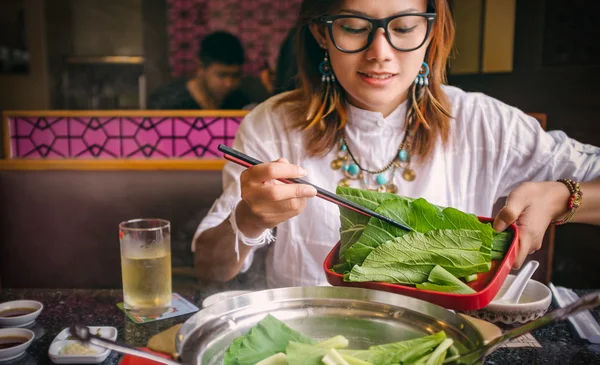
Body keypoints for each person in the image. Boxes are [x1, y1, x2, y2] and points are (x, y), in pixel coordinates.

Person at [192, 0, 600, 288]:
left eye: (403, 28)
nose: (380, 53)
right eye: (353, 27)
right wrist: (249, 219)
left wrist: (564, 197)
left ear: (430, 30)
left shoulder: (486, 123)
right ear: (321, 32)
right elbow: (210, 270)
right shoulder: (271, 124)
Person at [148, 31, 250, 110]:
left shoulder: (238, 101)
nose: (229, 84)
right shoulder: (167, 102)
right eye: (222, 75)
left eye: (236, 75)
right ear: (201, 68)